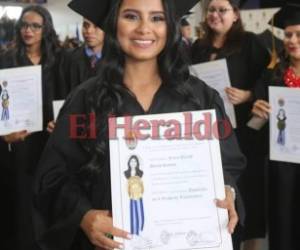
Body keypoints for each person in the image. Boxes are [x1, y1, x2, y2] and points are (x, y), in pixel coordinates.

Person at [33, 0, 246, 249]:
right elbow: (53, 176)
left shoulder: (201, 98)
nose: (145, 29)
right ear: (113, 23)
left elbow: (228, 163)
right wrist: (82, 215)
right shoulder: (85, 100)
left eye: (157, 18)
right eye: (132, 16)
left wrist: (228, 189)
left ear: (170, 26)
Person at [191, 1, 270, 249]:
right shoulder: (197, 48)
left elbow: (268, 80)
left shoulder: (250, 43)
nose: (215, 15)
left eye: (222, 10)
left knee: (248, 190)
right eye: (211, 10)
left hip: (244, 133)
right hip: (209, 132)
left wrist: (248, 95)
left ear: (235, 15)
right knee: (213, 189)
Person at [0, 5, 69, 250]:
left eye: (35, 26)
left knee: (52, 196)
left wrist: (61, 122)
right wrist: (4, 133)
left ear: (46, 29)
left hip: (51, 140)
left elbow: (69, 98)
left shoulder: (61, 59)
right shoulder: (6, 59)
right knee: (22, 200)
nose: (28, 31)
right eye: (24, 25)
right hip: (20, 141)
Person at [251, 2, 300, 250]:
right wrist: (258, 111)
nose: (292, 40)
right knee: (283, 222)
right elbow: (256, 125)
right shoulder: (272, 75)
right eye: (288, 34)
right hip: (283, 164)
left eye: (299, 35)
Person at [64, 18, 105, 90]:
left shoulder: (116, 59)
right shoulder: (68, 58)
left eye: (96, 26)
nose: (89, 31)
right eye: (85, 25)